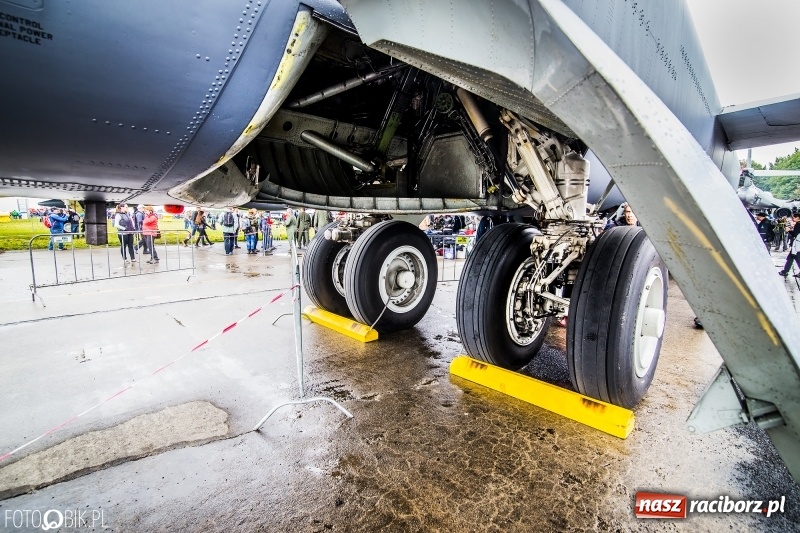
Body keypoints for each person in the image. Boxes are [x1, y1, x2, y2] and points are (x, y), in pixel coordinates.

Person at [778, 212, 800, 277]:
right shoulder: (797, 224)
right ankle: (785, 271)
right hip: (796, 245)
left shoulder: (798, 225)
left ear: (798, 218)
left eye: (794, 217)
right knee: (791, 258)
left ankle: (785, 271)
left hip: (797, 246)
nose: (793, 218)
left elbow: (795, 234)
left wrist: (789, 230)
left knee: (796, 258)